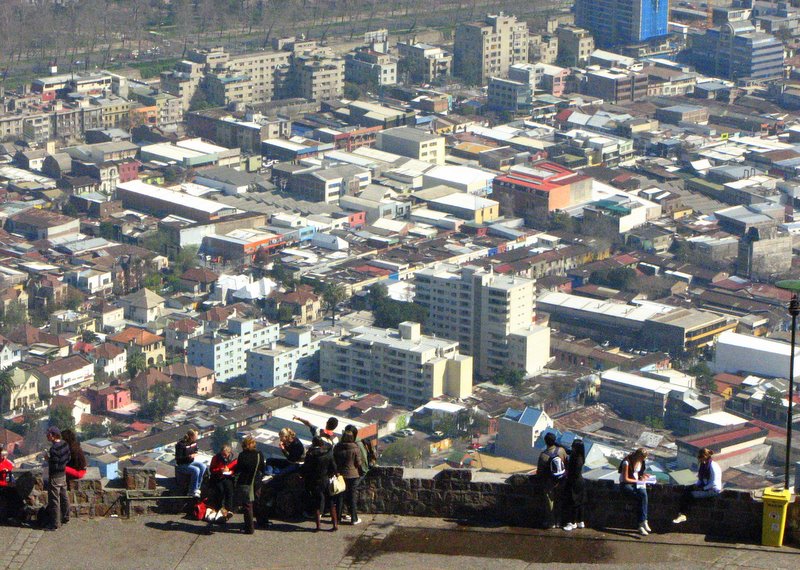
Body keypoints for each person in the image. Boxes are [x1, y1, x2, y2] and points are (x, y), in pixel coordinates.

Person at [672, 448, 722, 524]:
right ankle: (681, 514)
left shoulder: (712, 466)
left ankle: (684, 514)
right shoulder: (704, 465)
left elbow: (713, 483)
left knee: (691, 495)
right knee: (687, 489)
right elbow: (700, 479)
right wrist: (696, 485)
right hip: (706, 486)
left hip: (713, 490)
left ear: (704, 456)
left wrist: (702, 488)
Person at [301, 436, 338, 532]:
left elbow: (306, 469)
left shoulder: (311, 455)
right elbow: (334, 467)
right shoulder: (328, 453)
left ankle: (318, 526)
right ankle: (335, 524)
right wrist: (330, 475)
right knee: (330, 502)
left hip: (315, 481)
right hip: (326, 479)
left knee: (317, 503)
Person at [233, 436, 267, 534]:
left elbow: (238, 469)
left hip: (246, 482)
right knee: (258, 501)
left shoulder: (242, 455)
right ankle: (262, 522)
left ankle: (249, 528)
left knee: (247, 505)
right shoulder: (259, 454)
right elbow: (262, 468)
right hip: (256, 481)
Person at [537, 432, 567, 529]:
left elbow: (539, 472)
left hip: (549, 483)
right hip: (561, 481)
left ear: (545, 442)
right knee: (560, 501)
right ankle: (559, 521)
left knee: (550, 502)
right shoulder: (561, 451)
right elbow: (566, 462)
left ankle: (551, 522)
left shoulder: (543, 455)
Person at [619, 448, 651, 535]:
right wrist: (638, 481)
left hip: (636, 482)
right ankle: (642, 522)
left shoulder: (641, 462)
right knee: (639, 498)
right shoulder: (627, 462)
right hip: (626, 484)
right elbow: (625, 479)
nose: (643, 460)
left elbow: (639, 473)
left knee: (643, 494)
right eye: (642, 458)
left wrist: (643, 477)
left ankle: (643, 522)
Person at [44, 426, 71, 531]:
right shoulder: (65, 444)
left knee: (54, 500)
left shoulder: (54, 449)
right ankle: (66, 517)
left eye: (49, 434)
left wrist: (48, 459)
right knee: (64, 496)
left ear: (54, 435)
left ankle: (55, 523)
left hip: (55, 476)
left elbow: (54, 465)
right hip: (63, 475)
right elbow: (68, 458)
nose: (47, 436)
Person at [333, 431, 362, 526]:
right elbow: (358, 463)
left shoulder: (338, 447)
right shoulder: (355, 448)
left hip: (341, 474)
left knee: (340, 497)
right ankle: (354, 518)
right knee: (352, 497)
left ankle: (338, 518)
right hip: (353, 475)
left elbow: (334, 461)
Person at [562, 439, 587, 531]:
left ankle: (572, 523)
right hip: (579, 482)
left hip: (574, 482)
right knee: (580, 502)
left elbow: (574, 473)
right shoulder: (580, 456)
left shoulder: (577, 459)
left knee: (573, 502)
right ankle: (580, 521)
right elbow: (568, 451)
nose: (572, 447)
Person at [175, 429, 207, 498]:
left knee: (203, 466)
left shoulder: (194, 443)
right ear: (192, 436)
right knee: (196, 470)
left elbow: (196, 450)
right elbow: (179, 458)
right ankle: (192, 491)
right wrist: (188, 457)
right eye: (196, 435)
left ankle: (197, 487)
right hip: (182, 464)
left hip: (191, 462)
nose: (197, 437)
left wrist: (194, 454)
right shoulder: (181, 444)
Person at [209, 444, 237, 513]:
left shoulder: (234, 459)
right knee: (220, 489)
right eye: (222, 454)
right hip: (217, 477)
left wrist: (230, 472)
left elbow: (236, 470)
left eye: (225, 455)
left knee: (229, 490)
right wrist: (220, 470)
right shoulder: (216, 458)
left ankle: (228, 509)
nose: (224, 456)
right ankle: (218, 507)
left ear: (229, 453)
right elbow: (212, 469)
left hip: (228, 477)